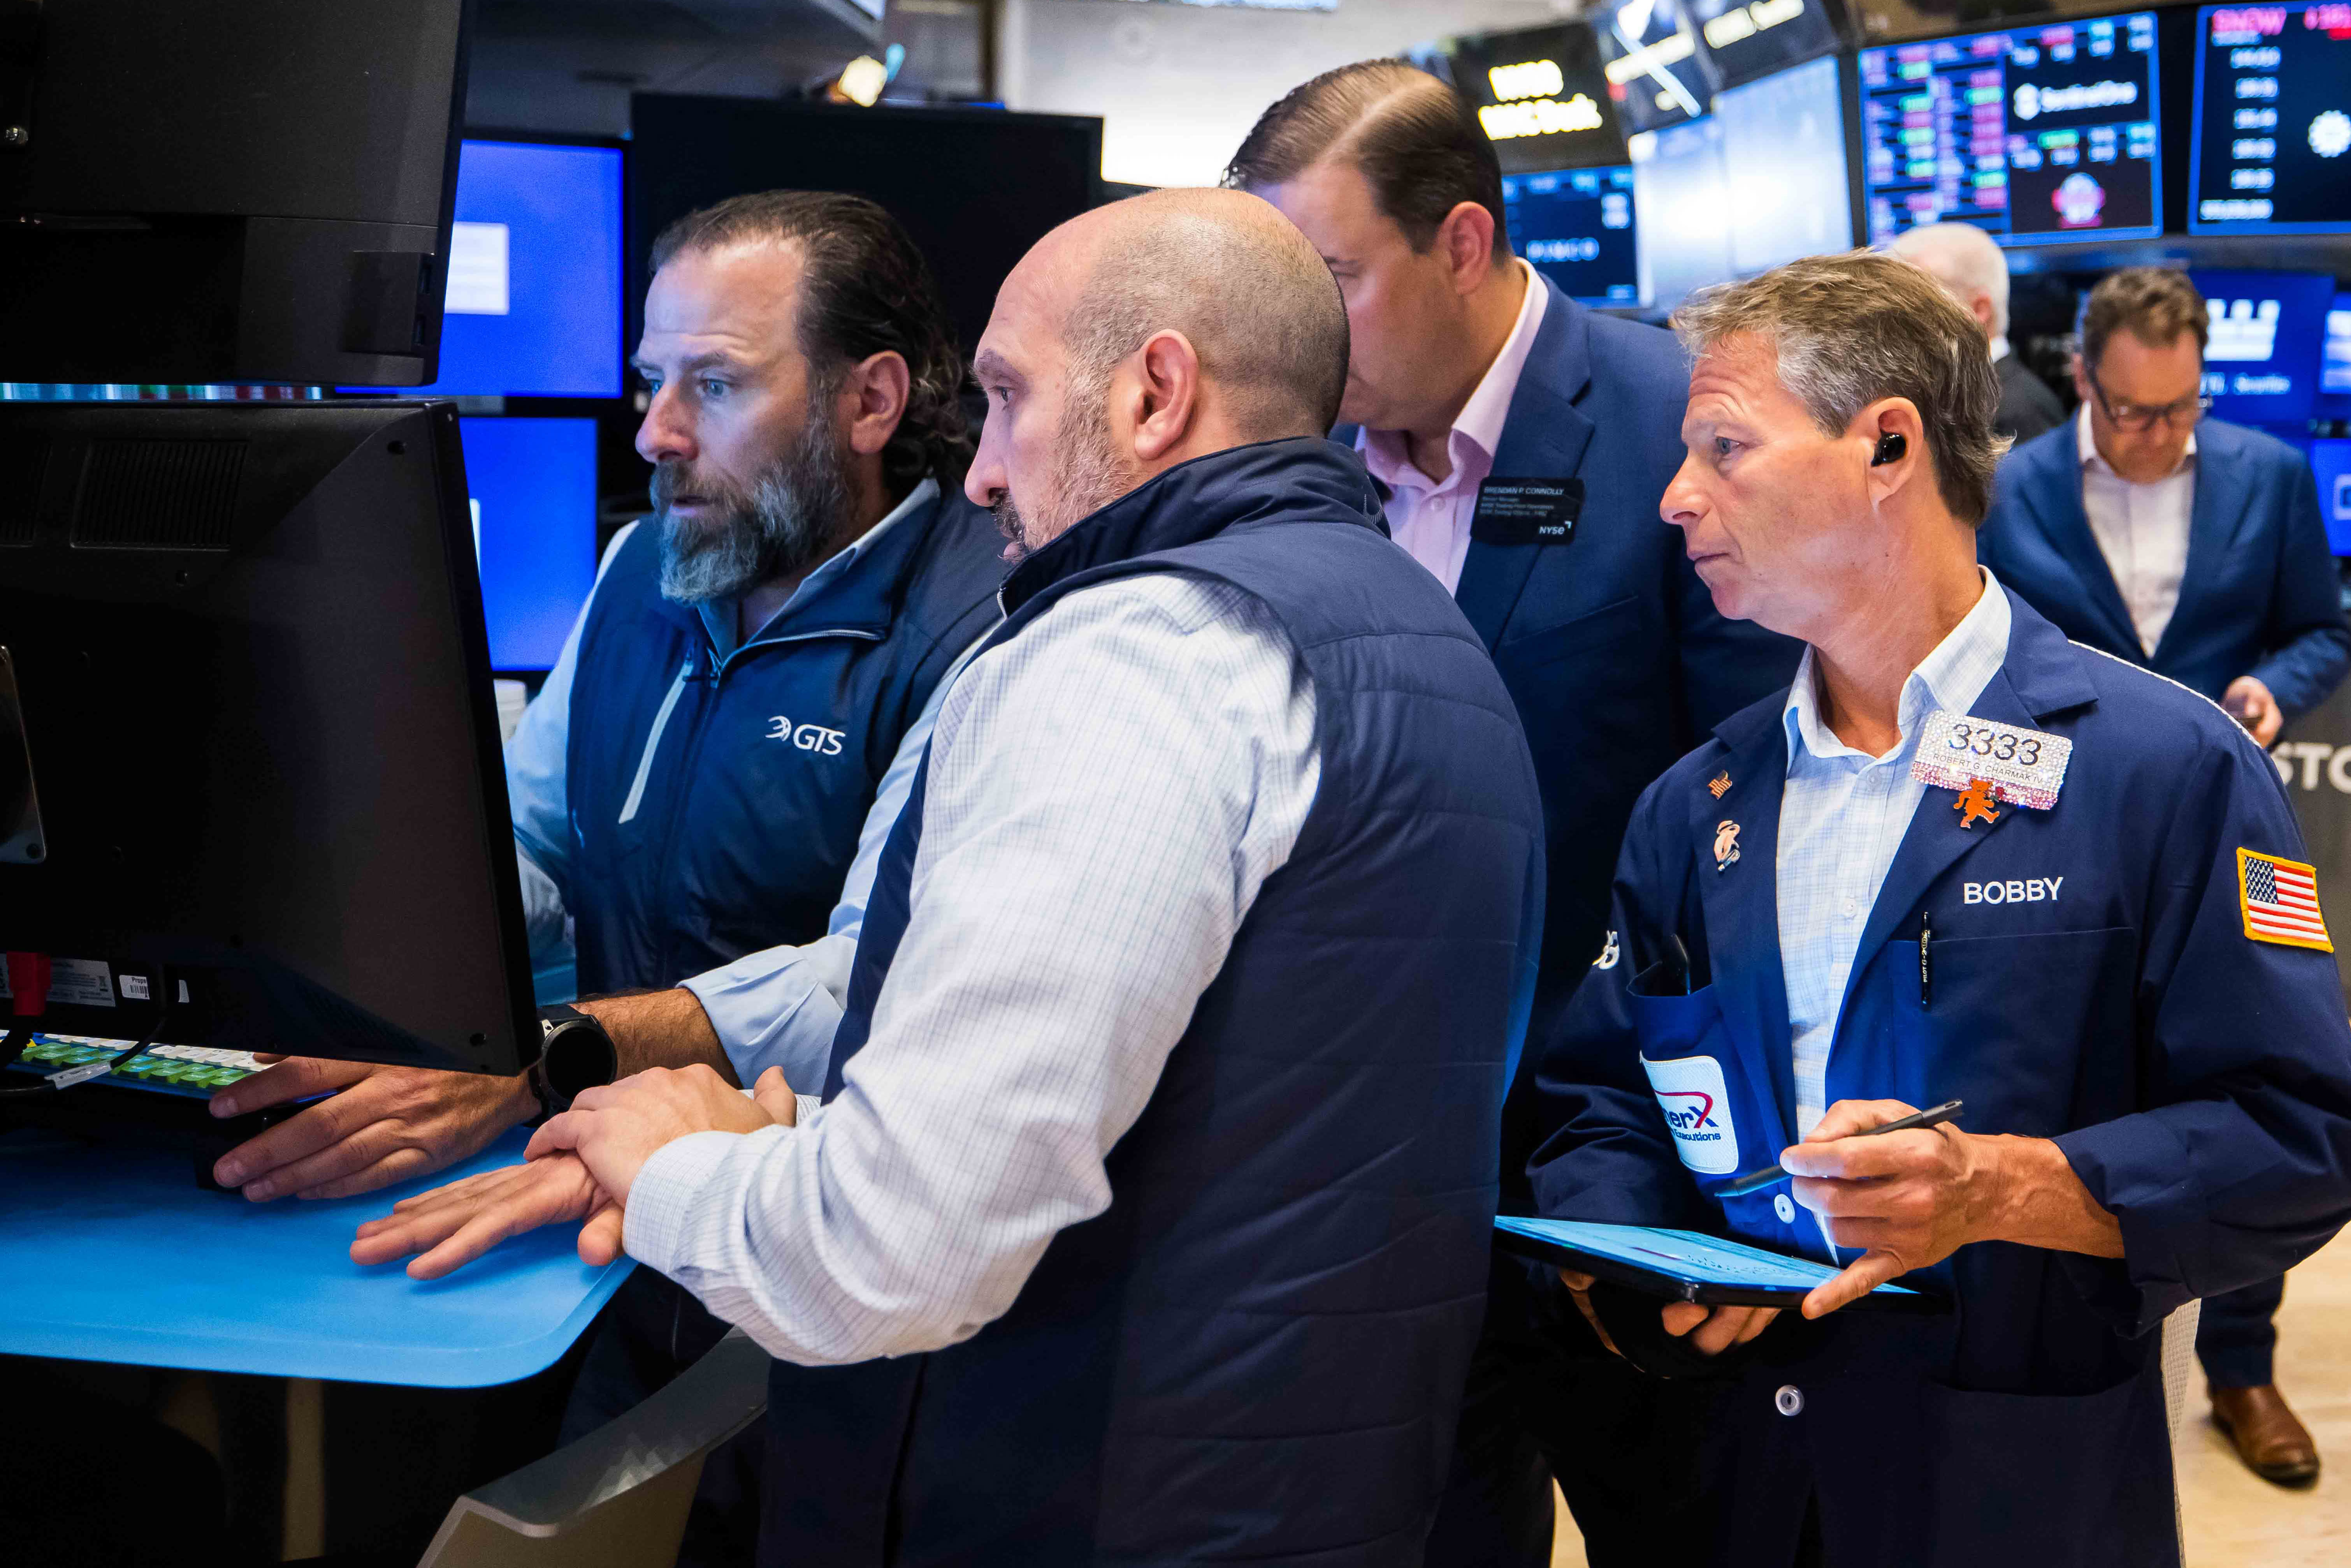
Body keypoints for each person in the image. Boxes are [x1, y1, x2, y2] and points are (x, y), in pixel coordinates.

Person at [350, 187, 1549, 1568]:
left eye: (1007, 398)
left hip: (1082, 1494)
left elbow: (897, 1243)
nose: (981, 470)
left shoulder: (1138, 651)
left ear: (1157, 393)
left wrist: (677, 1152)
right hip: (1298, 1484)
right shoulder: (1412, 628)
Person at [208, 190, 1009, 1559]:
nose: (655, 435)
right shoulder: (649, 562)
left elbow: (862, 980)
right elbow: (533, 850)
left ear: (871, 400)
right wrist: (323, 904)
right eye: (651, 380)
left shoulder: (981, 621)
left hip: (831, 1288)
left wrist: (549, 1051)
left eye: (714, 384)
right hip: (609, 1242)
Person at [1527, 250, 2351, 1566]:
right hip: (1724, 1482)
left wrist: (2002, 1186)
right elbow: (1601, 1097)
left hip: (2004, 1488)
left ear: (1889, 444)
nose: (1676, 498)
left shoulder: (2168, 769)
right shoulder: (1697, 798)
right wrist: (1640, 1252)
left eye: (1725, 446)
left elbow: (2296, 1136)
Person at [1225, 62, 1800, 1565]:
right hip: (1361, 1185)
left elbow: (1772, 833)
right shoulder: (1289, 463)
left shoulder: (1689, 430)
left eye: (1332, 278)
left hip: (1618, 1174)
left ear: (1463, 244)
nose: (1295, 327)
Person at [1980, 266, 2351, 1483]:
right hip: (2062, 837)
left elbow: (2326, 626)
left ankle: (2241, 1366)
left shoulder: (2268, 473)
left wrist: (2271, 688)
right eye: (2136, 411)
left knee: (2252, 1094)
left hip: (2227, 824)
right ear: (2085, 378)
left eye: (2181, 408)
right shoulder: (2011, 479)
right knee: (2086, 1089)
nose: (2158, 436)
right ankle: (2085, 1348)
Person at [1887, 221, 2065, 443]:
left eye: (1916, 304)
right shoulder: (1958, 399)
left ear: (1977, 309)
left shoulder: (2023, 412)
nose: (1895, 321)